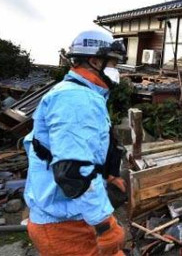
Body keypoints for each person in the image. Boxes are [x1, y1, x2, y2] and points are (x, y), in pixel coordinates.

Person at [23, 30, 127, 255]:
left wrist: (109, 175)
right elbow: (73, 172)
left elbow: (84, 152)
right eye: (114, 63)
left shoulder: (80, 94)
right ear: (96, 61)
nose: (117, 70)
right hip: (64, 225)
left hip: (73, 216)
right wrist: (104, 225)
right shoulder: (77, 99)